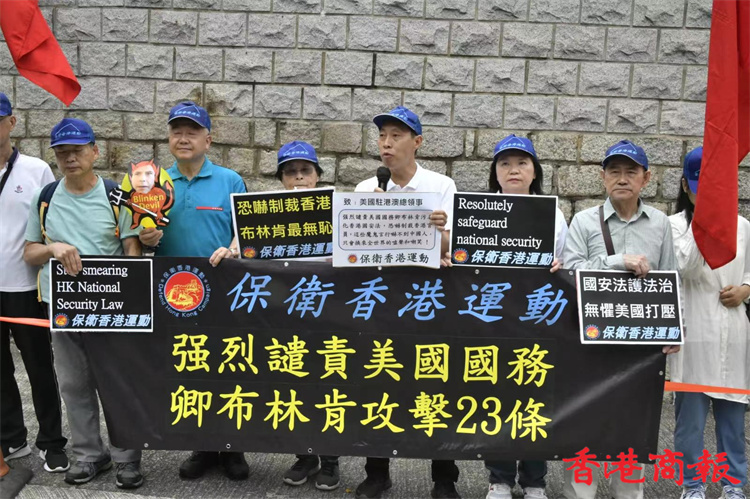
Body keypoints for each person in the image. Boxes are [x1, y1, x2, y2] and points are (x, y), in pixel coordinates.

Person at [22, 118, 143, 488]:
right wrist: (53, 248)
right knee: (74, 384)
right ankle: (89, 455)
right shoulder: (46, 198)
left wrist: (131, 290)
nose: (70, 158)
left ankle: (127, 457)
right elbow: (30, 252)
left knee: (117, 383)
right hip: (63, 308)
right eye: (62, 152)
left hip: (111, 309)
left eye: (77, 150)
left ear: (95, 151)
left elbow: (132, 247)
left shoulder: (116, 196)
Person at [138, 101, 249, 480]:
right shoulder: (154, 184)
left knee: (228, 369)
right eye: (176, 132)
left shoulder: (230, 181)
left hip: (223, 293)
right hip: (175, 296)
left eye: (192, 132)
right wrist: (147, 238)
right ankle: (202, 446)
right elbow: (140, 234)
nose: (183, 139)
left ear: (208, 140)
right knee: (190, 370)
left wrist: (233, 248)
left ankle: (232, 448)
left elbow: (245, 233)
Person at [562, 139, 679, 499]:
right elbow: (570, 271)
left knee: (632, 423)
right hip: (590, 338)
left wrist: (675, 329)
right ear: (603, 177)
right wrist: (618, 261)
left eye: (631, 172)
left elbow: (671, 277)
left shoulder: (660, 224)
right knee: (585, 418)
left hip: (640, 343)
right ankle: (580, 493)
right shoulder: (584, 221)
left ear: (647, 178)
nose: (623, 178)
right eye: (614, 171)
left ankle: (628, 493)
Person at [353, 106, 458, 499]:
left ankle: (444, 478)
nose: (387, 143)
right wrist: (369, 216)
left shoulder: (441, 186)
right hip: (380, 302)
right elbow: (352, 252)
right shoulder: (367, 189)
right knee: (379, 384)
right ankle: (377, 472)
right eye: (382, 136)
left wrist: (439, 233)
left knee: (435, 385)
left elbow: (453, 248)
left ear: (417, 142)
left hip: (428, 302)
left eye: (396, 136)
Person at [483, 135, 566, 499]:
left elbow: (565, 262)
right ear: (495, 173)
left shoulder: (553, 214)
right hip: (492, 318)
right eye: (504, 163)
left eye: (521, 163)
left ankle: (534, 481)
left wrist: (559, 266)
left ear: (535, 172)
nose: (513, 170)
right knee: (497, 398)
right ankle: (499, 479)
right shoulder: (480, 212)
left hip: (537, 317)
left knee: (535, 399)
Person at [670, 147, 749, 499]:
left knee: (733, 420)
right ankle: (692, 484)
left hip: (732, 333)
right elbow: (684, 267)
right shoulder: (675, 226)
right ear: (685, 186)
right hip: (693, 335)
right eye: (700, 187)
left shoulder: (743, 227)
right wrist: (703, 220)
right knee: (690, 422)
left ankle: (734, 484)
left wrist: (745, 290)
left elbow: (749, 272)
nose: (707, 194)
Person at [0, 92, 69, 474]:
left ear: (12, 122)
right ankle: (12, 437)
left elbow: (51, 223)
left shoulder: (36, 170)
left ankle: (52, 441)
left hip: (26, 286)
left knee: (40, 367)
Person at [273, 140, 341, 491]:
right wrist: (232, 250)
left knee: (328, 387)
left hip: (329, 318)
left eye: (305, 171)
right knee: (293, 389)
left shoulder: (339, 210)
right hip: (285, 318)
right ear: (282, 179)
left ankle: (330, 459)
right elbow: (246, 254)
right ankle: (304, 456)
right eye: (291, 172)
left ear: (317, 176)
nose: (298, 177)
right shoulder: (264, 214)